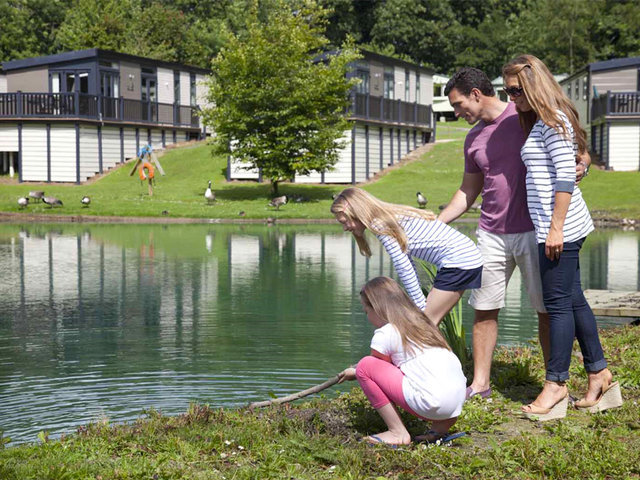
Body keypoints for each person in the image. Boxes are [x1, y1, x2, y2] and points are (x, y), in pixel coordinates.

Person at [439, 67, 590, 399]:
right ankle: (480, 384)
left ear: (476, 94)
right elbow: (467, 191)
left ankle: (554, 382)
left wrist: (584, 162)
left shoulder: (525, 114)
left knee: (548, 309)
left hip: (535, 230)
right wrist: (438, 223)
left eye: (459, 103)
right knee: (484, 307)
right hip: (491, 233)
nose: (456, 112)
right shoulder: (472, 139)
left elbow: (574, 148)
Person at [502, 54, 623, 420]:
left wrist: (555, 228)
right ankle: (600, 375)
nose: (511, 98)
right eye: (506, 91)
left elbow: (564, 179)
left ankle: (556, 385)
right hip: (557, 227)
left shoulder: (552, 121)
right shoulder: (547, 120)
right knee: (572, 300)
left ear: (533, 84)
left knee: (557, 304)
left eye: (515, 90)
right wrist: (582, 162)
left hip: (561, 228)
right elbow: (575, 160)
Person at [338, 276, 466, 445]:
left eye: (366, 311)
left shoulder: (386, 333)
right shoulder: (424, 325)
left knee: (365, 366)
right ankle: (438, 430)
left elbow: (378, 367)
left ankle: (397, 433)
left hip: (430, 405)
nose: (368, 317)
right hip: (456, 403)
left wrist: (354, 372)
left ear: (377, 309)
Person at [331, 187, 483, 325]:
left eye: (345, 222)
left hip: (459, 261)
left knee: (424, 324)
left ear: (357, 213)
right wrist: (419, 303)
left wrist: (419, 304)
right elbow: (407, 259)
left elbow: (402, 265)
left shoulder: (380, 224)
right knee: (427, 323)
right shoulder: (387, 217)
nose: (345, 228)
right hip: (465, 258)